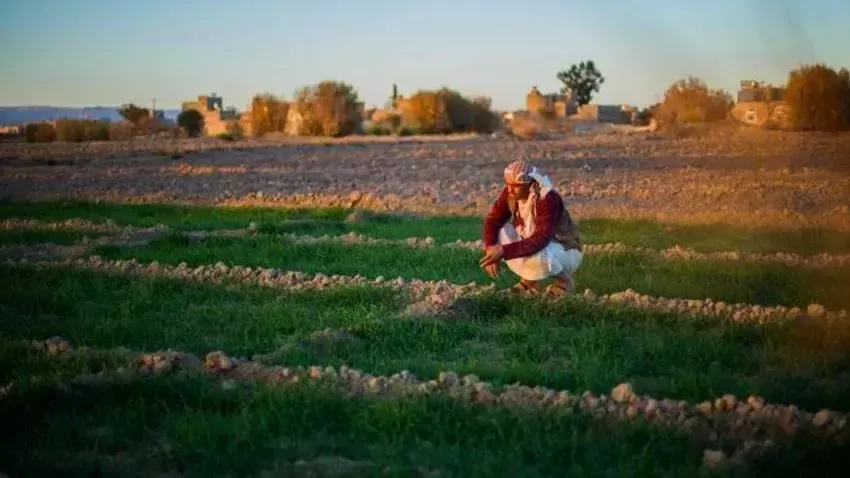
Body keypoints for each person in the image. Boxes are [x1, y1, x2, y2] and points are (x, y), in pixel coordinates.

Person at [479, 159, 583, 297]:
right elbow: (493, 220)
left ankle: (564, 281)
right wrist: (490, 249)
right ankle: (528, 283)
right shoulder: (510, 194)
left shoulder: (547, 198)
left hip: (564, 249)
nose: (510, 190)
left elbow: (541, 239)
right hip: (538, 244)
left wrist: (504, 251)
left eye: (516, 186)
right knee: (500, 231)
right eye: (508, 185)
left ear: (529, 184)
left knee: (539, 251)